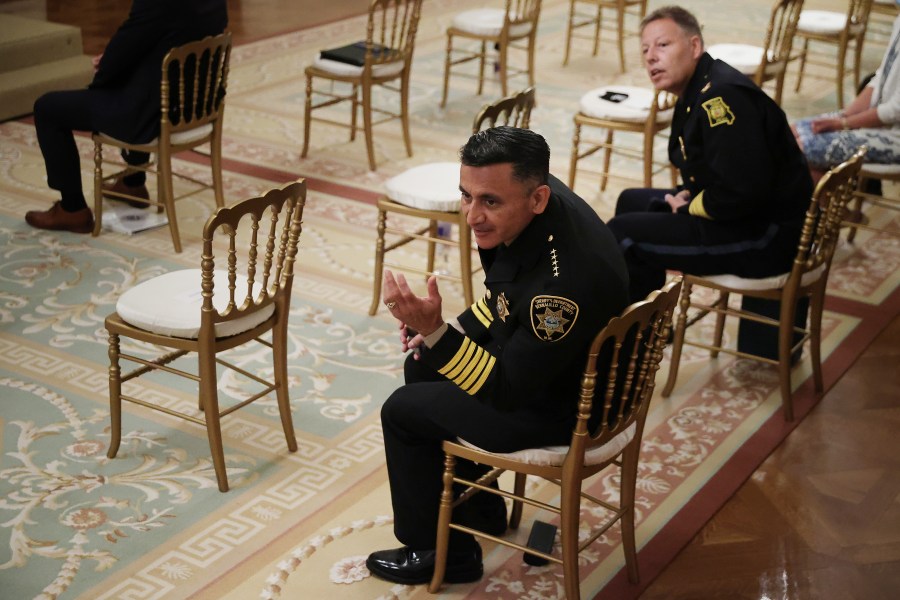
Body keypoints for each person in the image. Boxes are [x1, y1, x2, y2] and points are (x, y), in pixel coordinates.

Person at [366, 126, 629, 585]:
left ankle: (440, 554)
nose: (472, 216)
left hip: (566, 405)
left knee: (401, 411)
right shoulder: (534, 198)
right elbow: (504, 296)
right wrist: (445, 332)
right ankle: (484, 509)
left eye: (489, 202)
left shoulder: (561, 286)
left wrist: (437, 332)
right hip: (560, 364)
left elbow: (506, 391)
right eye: (466, 196)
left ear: (538, 198)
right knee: (421, 362)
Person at [606, 6, 814, 305]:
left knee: (623, 234)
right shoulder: (700, 86)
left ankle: (633, 346)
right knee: (630, 201)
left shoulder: (721, 98)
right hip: (749, 217)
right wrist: (689, 197)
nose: (651, 56)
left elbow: (740, 192)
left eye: (663, 45)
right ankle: (647, 330)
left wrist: (688, 207)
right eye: (645, 49)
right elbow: (718, 171)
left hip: (767, 238)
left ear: (694, 46)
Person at [24, 0, 228, 234]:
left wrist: (104, 74)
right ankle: (133, 184)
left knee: (47, 108)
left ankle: (72, 210)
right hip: (194, 109)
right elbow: (165, 41)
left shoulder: (157, 4)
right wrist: (116, 62)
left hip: (154, 115)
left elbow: (125, 48)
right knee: (136, 81)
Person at [792, 13, 900, 184]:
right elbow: (879, 78)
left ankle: (833, 210)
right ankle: (827, 208)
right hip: (880, 123)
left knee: (802, 148)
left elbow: (895, 110)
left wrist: (842, 124)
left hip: (895, 138)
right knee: (790, 134)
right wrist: (844, 116)